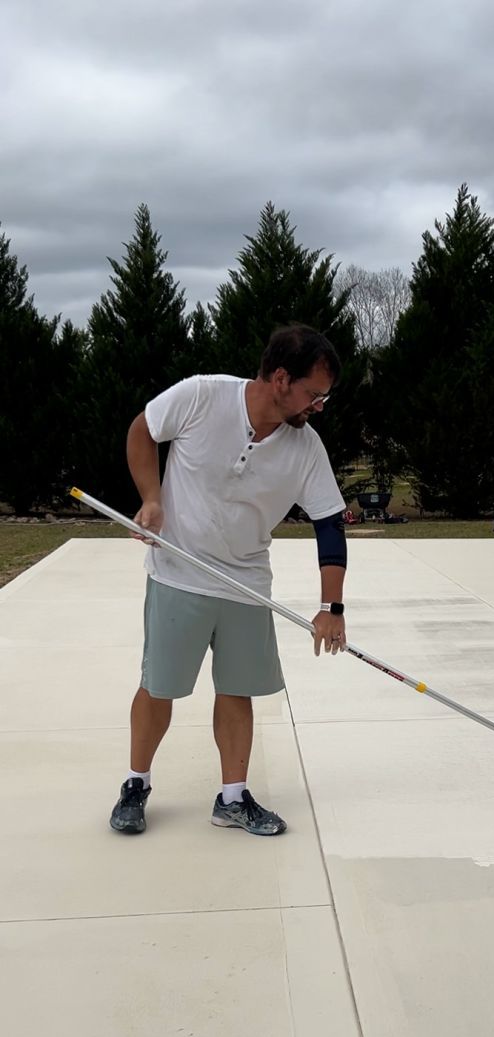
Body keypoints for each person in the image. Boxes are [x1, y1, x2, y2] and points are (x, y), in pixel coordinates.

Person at [109, 323, 348, 838]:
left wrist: (333, 608)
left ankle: (233, 798)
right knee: (159, 687)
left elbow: (329, 523)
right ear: (281, 378)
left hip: (245, 583)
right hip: (179, 574)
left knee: (237, 691)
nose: (318, 406)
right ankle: (135, 784)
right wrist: (151, 498)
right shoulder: (201, 396)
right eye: (314, 394)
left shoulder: (306, 448)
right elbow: (142, 430)